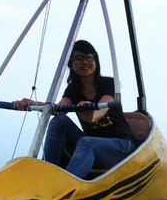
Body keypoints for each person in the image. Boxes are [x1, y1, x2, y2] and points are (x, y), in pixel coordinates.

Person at [13, 40, 135, 179]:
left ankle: (64, 186)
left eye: (89, 57)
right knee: (59, 121)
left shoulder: (109, 83)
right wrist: (31, 103)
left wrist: (89, 108)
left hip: (121, 146)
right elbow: (58, 109)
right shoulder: (73, 90)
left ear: (95, 59)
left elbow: (102, 108)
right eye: (78, 58)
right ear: (70, 64)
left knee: (87, 142)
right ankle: (47, 173)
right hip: (93, 145)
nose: (84, 62)